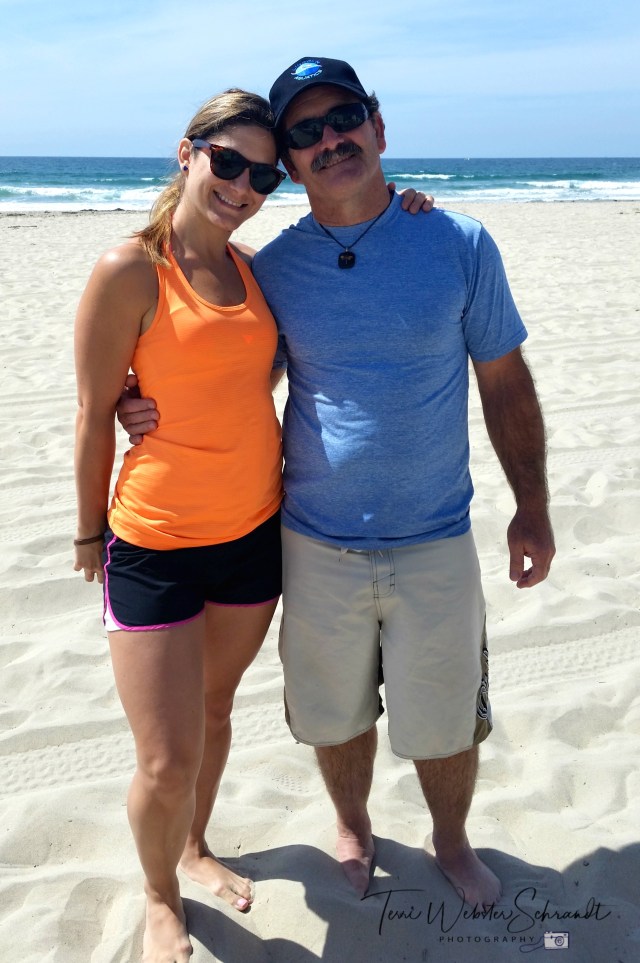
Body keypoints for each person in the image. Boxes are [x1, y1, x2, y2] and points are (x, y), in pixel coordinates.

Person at [118, 57, 555, 913]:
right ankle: (352, 824)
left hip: (436, 536)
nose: (329, 140)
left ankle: (453, 838)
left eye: (343, 118)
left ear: (378, 127)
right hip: (312, 539)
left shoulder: (459, 241)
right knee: (334, 714)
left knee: (443, 717)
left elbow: (504, 379)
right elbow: (221, 360)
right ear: (291, 161)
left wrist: (532, 510)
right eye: (305, 133)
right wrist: (136, 400)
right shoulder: (274, 270)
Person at [74, 86, 433, 962]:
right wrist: (90, 534)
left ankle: (193, 846)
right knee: (164, 757)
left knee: (218, 708)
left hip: (252, 532)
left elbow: (251, 372)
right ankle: (161, 893)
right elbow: (91, 414)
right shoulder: (130, 267)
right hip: (153, 541)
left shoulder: (254, 269)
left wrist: (413, 207)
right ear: (187, 152)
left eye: (262, 175)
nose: (242, 185)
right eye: (227, 162)